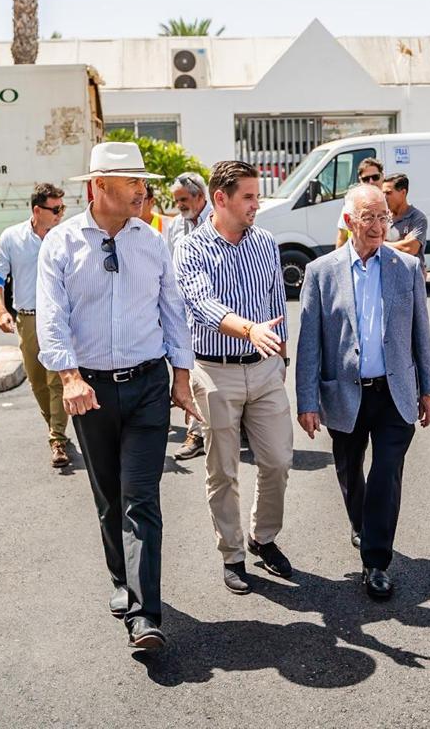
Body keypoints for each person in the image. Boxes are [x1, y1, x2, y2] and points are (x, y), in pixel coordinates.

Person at [37, 141, 201, 651]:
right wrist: (68, 377)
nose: (142, 190)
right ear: (98, 186)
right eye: (132, 182)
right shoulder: (61, 244)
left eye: (141, 182)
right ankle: (119, 578)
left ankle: (145, 615)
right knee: (109, 498)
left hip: (148, 384)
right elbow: (51, 316)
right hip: (91, 390)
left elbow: (173, 309)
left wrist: (180, 375)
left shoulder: (152, 242)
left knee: (140, 498)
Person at [295, 184, 430, 600]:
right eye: (369, 218)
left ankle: (376, 561)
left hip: (395, 392)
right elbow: (311, 343)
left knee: (386, 474)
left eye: (384, 218)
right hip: (345, 392)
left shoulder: (405, 268)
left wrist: (429, 388)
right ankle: (361, 525)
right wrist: (307, 400)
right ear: (348, 221)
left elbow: (420, 333)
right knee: (349, 470)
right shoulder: (321, 272)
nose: (378, 226)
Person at [173, 160, 295, 595]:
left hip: (264, 368)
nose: (256, 205)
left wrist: (282, 356)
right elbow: (201, 305)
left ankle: (263, 538)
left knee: (278, 461)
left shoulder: (265, 242)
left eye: (257, 196)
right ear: (220, 198)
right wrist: (248, 329)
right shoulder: (191, 248)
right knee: (223, 470)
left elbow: (277, 301)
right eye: (248, 197)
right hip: (214, 371)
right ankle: (232, 553)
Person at [0, 183, 70, 468]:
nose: (60, 214)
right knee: (37, 382)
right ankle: (54, 426)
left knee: (56, 378)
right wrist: (1, 312)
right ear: (37, 210)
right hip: (28, 318)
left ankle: (57, 438)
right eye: (55, 209)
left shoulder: (65, 236)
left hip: (60, 316)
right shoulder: (12, 237)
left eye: (62, 208)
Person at [166, 172, 216, 460]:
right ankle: (196, 433)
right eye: (176, 200)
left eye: (183, 199)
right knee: (193, 371)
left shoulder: (217, 221)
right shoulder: (176, 226)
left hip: (216, 311)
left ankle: (218, 427)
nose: (179, 205)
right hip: (185, 313)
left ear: (201, 196)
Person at [383, 174, 429, 276]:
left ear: (403, 193)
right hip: (387, 275)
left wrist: (380, 245)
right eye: (383, 193)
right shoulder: (382, 217)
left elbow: (409, 249)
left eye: (388, 193)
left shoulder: (417, 218)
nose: (384, 197)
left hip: (410, 276)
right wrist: (401, 243)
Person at [335, 158, 386, 249]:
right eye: (366, 179)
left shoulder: (393, 201)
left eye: (375, 177)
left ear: (382, 176)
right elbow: (342, 238)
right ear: (360, 180)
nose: (371, 182)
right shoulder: (351, 205)